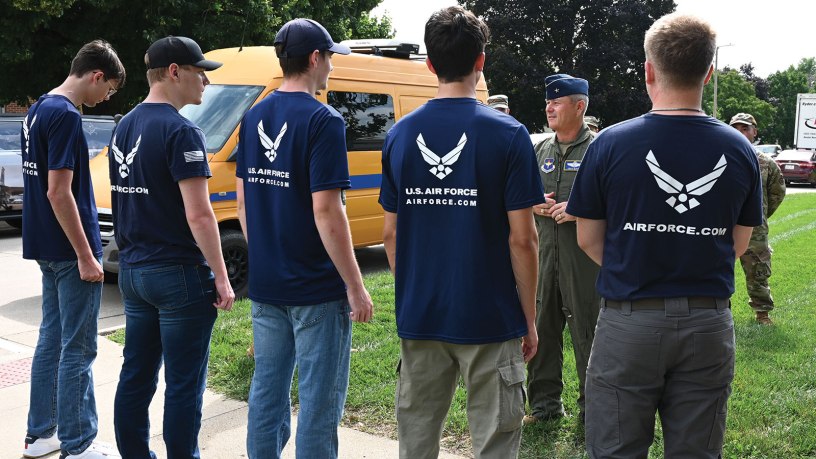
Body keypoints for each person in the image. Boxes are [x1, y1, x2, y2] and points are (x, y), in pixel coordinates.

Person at [567, 13, 763, 458]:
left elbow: (587, 239)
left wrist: (637, 262)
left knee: (615, 448)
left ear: (648, 70)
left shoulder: (610, 144)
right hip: (707, 322)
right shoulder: (739, 150)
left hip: (629, 320)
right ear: (709, 71)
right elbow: (739, 243)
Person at [379, 7, 542, 458]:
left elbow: (390, 234)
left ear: (429, 64)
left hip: (422, 314)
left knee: (415, 441)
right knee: (494, 443)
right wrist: (528, 318)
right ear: (481, 61)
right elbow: (523, 239)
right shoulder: (510, 136)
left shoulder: (399, 135)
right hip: (490, 316)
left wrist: (414, 288)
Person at [236, 18, 374, 459]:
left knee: (266, 393)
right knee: (318, 403)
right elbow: (327, 209)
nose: (332, 66)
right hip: (315, 288)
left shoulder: (254, 113)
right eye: (330, 57)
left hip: (267, 284)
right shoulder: (323, 119)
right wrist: (355, 285)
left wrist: (268, 258)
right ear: (315, 58)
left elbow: (243, 203)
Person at [110, 36, 235, 459]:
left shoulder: (124, 124)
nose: (205, 79)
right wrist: (222, 275)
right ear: (175, 72)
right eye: (199, 70)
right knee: (183, 384)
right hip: (178, 274)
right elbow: (199, 215)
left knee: (136, 377)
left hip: (134, 272)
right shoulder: (181, 130)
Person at [21, 40, 125, 459]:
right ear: (96, 75)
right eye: (110, 90)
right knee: (79, 348)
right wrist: (86, 253)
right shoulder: (64, 115)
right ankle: (79, 443)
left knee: (52, 340)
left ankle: (40, 434)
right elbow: (58, 192)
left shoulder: (39, 108)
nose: (106, 98)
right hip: (69, 250)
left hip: (46, 244)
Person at [525, 73, 599, 425]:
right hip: (543, 260)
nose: (549, 107)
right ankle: (544, 407)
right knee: (541, 331)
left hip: (584, 263)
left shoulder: (600, 150)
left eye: (557, 102)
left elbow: (622, 204)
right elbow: (516, 199)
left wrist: (580, 209)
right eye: (548, 101)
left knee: (588, 334)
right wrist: (532, 203)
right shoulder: (539, 150)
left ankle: (592, 412)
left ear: (579, 106)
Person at [729, 112, 785, 325]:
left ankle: (762, 312)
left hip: (755, 228)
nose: (740, 133)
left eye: (745, 128)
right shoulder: (720, 157)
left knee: (758, 269)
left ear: (754, 132)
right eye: (736, 128)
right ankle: (719, 310)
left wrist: (760, 215)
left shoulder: (765, 162)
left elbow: (777, 193)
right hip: (722, 225)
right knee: (717, 267)